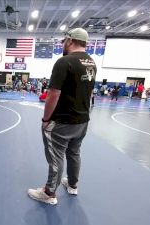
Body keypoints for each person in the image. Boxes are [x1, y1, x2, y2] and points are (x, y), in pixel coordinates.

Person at [28, 28, 96, 205]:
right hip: (82, 120)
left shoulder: (64, 62)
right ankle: (72, 185)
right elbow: (88, 93)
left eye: (65, 41)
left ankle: (49, 193)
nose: (63, 44)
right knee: (74, 153)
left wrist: (45, 120)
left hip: (63, 121)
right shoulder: (91, 62)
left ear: (70, 40)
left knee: (56, 157)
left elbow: (53, 94)